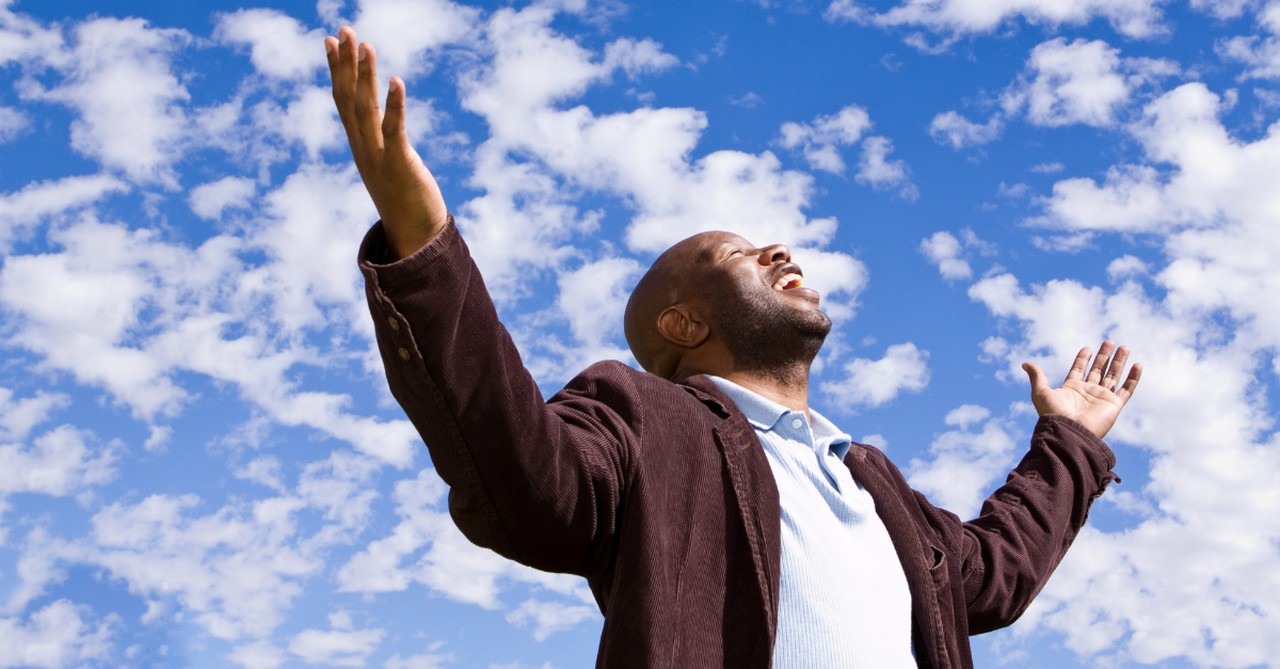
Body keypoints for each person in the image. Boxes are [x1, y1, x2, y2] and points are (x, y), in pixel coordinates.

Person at [326, 26, 1142, 669]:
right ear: (684, 325)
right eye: (737, 254)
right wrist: (424, 246)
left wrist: (1067, 441)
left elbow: (989, 575)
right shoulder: (640, 418)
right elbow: (524, 475)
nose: (779, 251)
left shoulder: (869, 480)